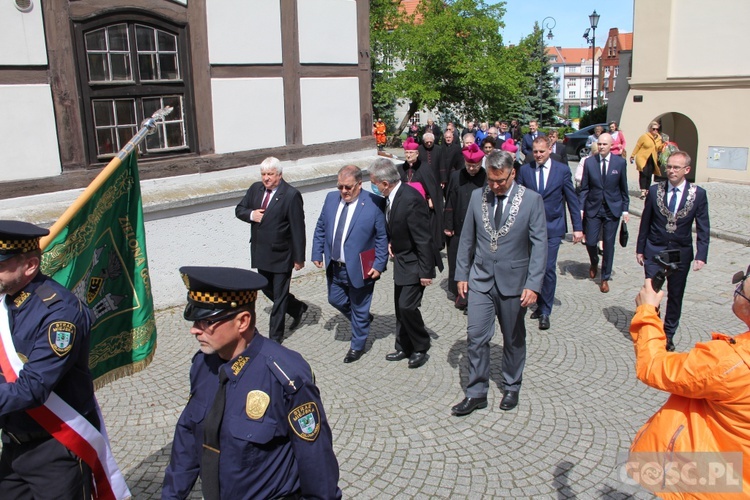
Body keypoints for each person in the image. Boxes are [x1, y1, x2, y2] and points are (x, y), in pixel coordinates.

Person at [162, 266, 341, 499]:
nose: (194, 330)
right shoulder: (202, 365)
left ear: (242, 322)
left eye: (206, 321)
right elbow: (187, 435)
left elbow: (316, 462)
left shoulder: (286, 376)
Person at [0, 221, 127, 499]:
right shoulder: (7, 301)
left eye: (1, 264)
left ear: (30, 265)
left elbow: (31, 389)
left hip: (55, 447)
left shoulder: (60, 314)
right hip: (13, 444)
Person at [627, 272, 750, 496]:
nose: (738, 285)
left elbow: (654, 366)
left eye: (743, 286)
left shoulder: (731, 363)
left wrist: (647, 311)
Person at [451, 150, 547, 416]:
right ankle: (476, 392)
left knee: (513, 337)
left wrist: (534, 284)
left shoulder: (531, 201)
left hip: (515, 282)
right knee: (476, 337)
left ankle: (512, 384)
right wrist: (461, 274)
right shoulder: (476, 197)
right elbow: (466, 238)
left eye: (500, 181)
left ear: (512, 173)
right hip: (480, 279)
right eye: (491, 180)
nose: (494, 186)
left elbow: (540, 245)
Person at [312, 165, 389, 363]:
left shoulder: (374, 203)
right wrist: (316, 252)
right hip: (335, 266)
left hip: (362, 267)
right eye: (340, 187)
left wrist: (379, 264)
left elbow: (381, 237)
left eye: (348, 187)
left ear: (359, 185)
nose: (344, 191)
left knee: (360, 307)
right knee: (335, 299)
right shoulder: (331, 199)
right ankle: (361, 320)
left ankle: (357, 345)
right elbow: (321, 226)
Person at [636, 151, 710, 352]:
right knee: (651, 292)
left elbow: (703, 226)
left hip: (680, 252)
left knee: (676, 296)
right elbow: (646, 220)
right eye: (669, 166)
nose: (671, 171)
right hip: (655, 249)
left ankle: (668, 334)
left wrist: (701, 255)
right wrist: (640, 248)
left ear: (687, 170)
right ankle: (651, 329)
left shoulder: (698, 194)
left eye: (676, 167)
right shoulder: (654, 191)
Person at [369, 158, 436, 369]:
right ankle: (403, 346)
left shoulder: (410, 199)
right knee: (400, 307)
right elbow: (396, 225)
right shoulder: (393, 197)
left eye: (374, 183)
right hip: (402, 260)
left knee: (407, 306)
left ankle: (420, 345)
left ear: (385, 183)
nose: (373, 186)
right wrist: (391, 242)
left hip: (415, 263)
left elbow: (423, 238)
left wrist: (426, 271)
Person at [235, 157, 308, 344]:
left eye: (270, 174)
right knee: (267, 289)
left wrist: (299, 258)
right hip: (261, 252)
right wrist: (252, 215)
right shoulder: (255, 189)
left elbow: (298, 228)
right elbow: (239, 209)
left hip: (282, 255)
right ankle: (297, 307)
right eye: (263, 174)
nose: (266, 178)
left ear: (280, 175)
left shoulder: (291, 195)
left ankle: (275, 338)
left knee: (280, 297)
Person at [518, 137, 583, 330]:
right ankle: (536, 301)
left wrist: (577, 228)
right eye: (535, 152)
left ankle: (545, 310)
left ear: (550, 150)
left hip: (553, 227)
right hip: (529, 228)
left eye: (541, 151)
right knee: (531, 267)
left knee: (547, 268)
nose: (537, 155)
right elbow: (518, 199)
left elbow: (572, 199)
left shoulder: (561, 170)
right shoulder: (525, 170)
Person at [579, 133, 630, 293]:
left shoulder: (619, 163)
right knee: (591, 241)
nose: (601, 147)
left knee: (608, 245)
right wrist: (581, 207)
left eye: (604, 144)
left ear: (611, 146)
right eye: (599, 144)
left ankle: (605, 277)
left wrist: (625, 209)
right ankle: (594, 261)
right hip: (593, 207)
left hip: (612, 208)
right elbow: (585, 187)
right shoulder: (589, 162)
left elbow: (623, 188)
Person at [443, 143, 487, 310]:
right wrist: (448, 224)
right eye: (469, 165)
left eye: (475, 166)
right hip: (458, 225)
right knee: (456, 260)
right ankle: (459, 294)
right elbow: (450, 200)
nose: (471, 169)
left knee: (476, 261)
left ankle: (475, 294)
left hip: (479, 227)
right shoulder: (456, 176)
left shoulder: (486, 177)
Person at [398, 137, 445, 258]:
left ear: (417, 153)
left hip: (421, 208)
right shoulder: (400, 169)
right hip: (405, 209)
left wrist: (430, 198)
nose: (408, 155)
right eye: (406, 152)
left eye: (411, 153)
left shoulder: (424, 168)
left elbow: (432, 187)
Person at [630, 120, 664, 200]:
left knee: (649, 174)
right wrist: (632, 155)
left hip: (652, 159)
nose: (655, 131)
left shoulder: (659, 138)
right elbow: (637, 146)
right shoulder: (644, 136)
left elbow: (658, 148)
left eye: (657, 129)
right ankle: (643, 191)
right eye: (654, 129)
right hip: (642, 158)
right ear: (650, 129)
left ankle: (647, 190)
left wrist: (663, 146)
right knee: (643, 174)